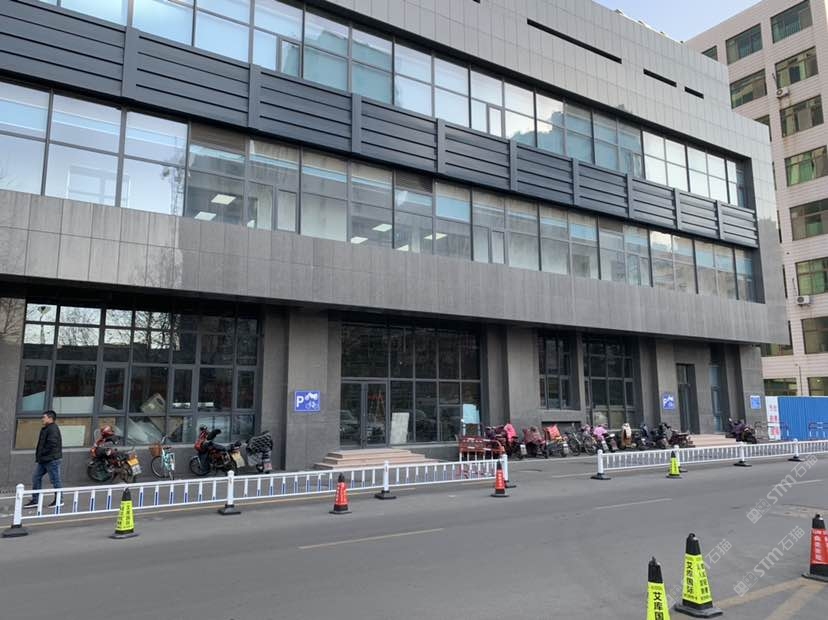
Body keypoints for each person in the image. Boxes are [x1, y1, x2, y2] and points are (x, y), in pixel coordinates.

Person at [24, 410, 63, 508]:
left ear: (50, 418)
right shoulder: (47, 428)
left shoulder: (53, 429)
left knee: (55, 480)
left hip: (52, 460)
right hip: (44, 459)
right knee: (36, 477)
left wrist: (42, 453)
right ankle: (36, 500)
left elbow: (52, 444)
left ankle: (59, 501)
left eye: (44, 417)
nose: (42, 419)